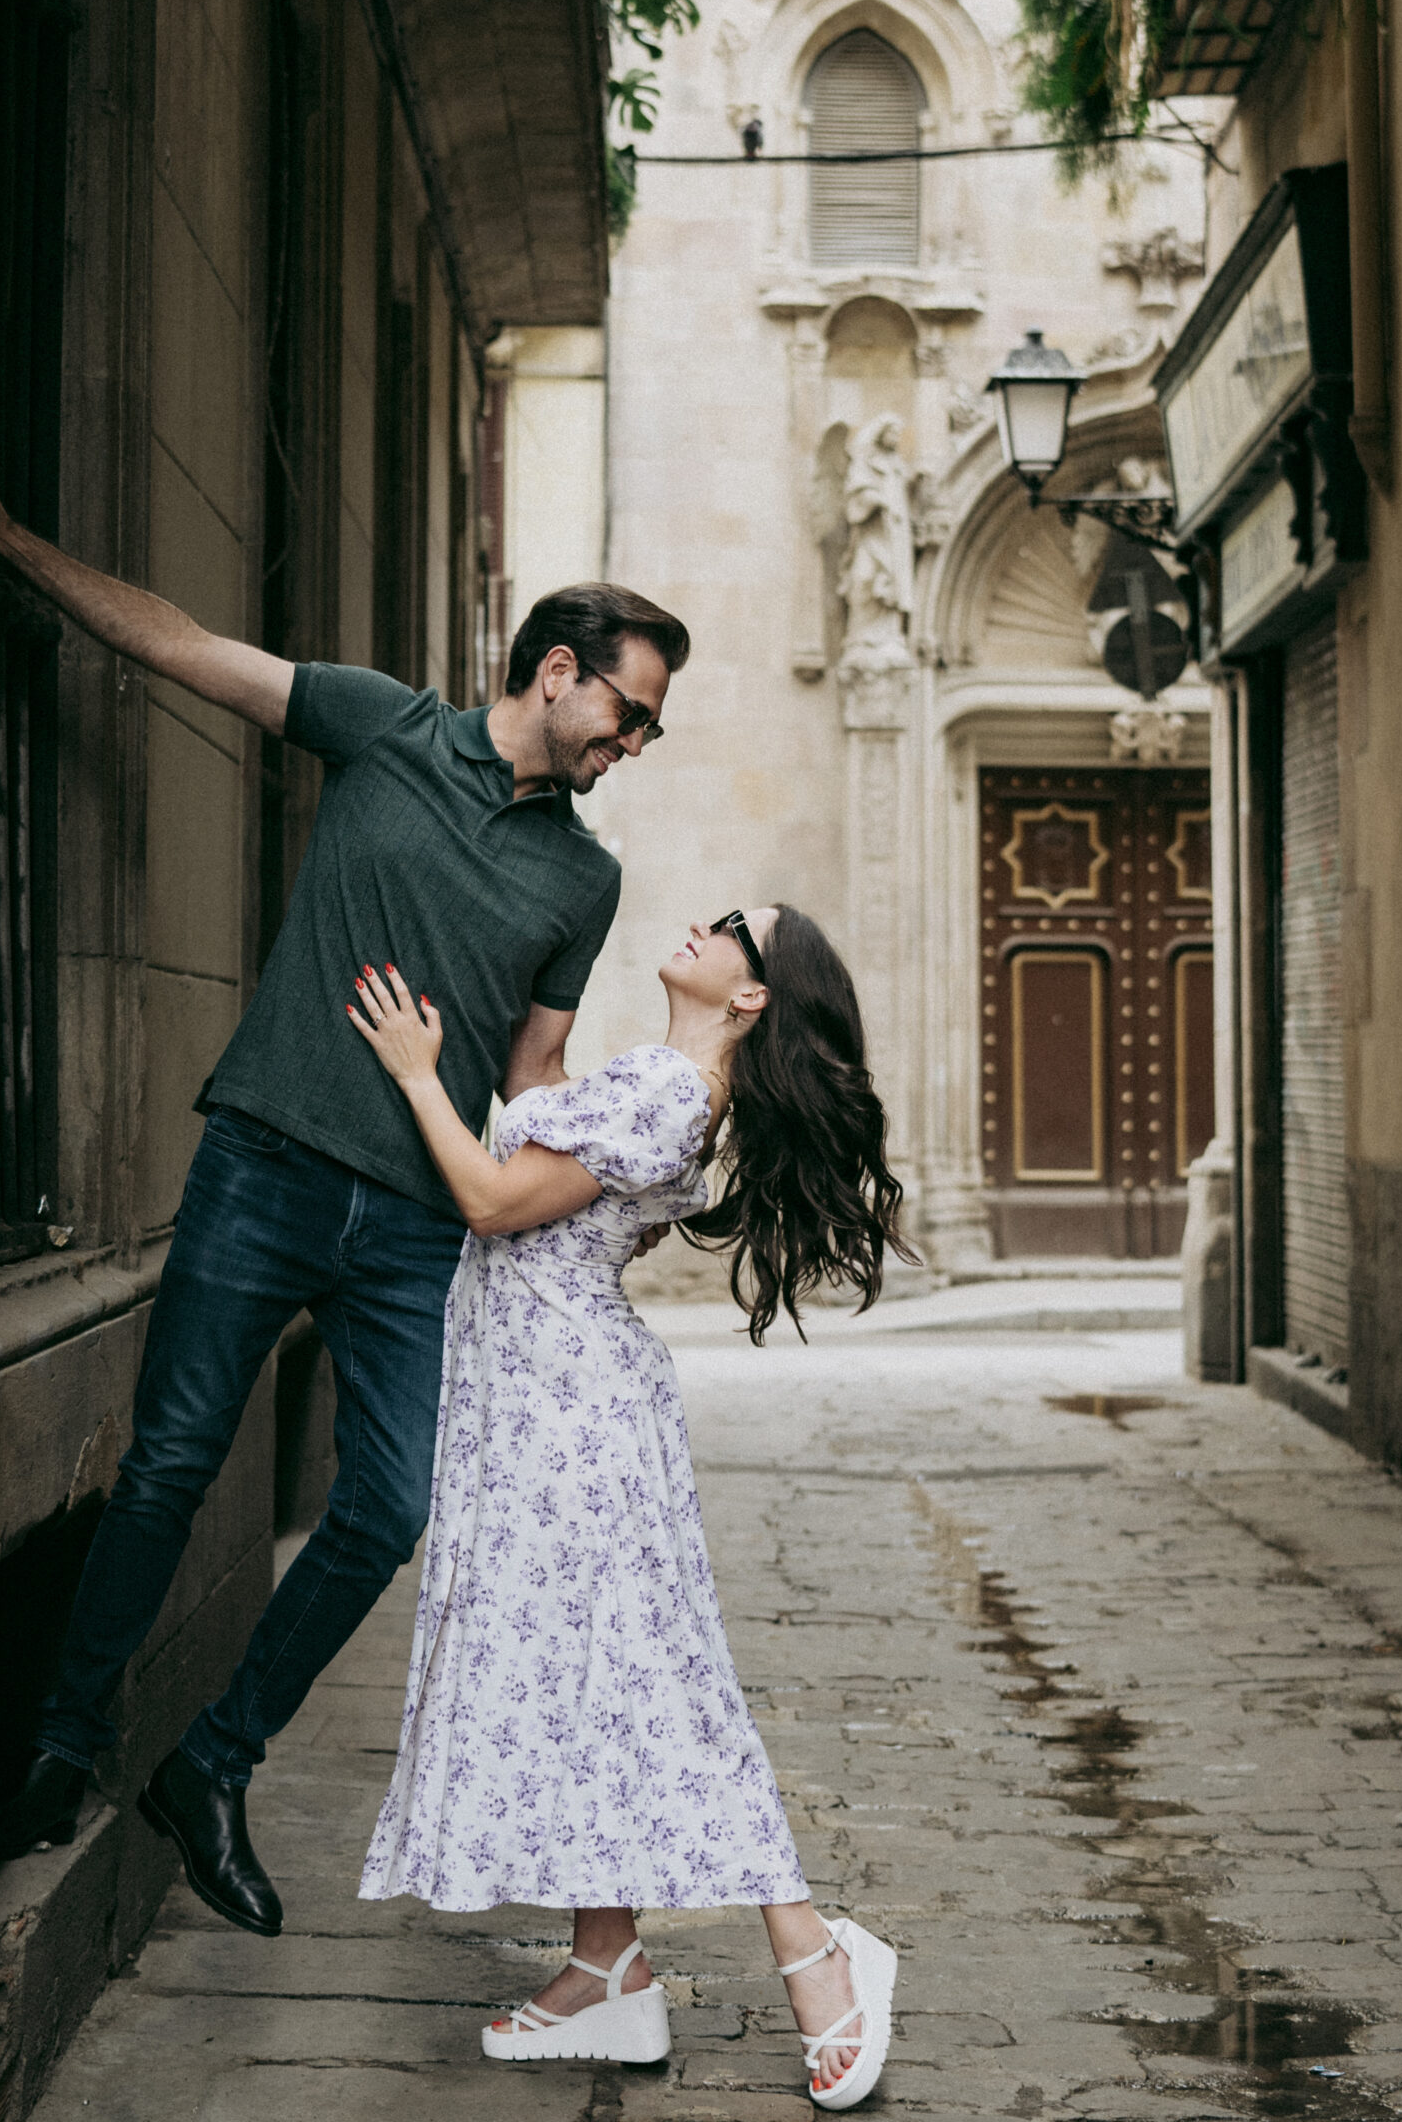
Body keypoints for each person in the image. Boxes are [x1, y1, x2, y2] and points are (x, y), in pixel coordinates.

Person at [0, 458, 689, 1940]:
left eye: (650, 726)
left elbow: (536, 1079)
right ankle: (56, 1759)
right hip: (264, 1167)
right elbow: (178, 643)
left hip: (414, 1229)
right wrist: (10, 544)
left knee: (390, 1507)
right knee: (168, 1465)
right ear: (556, 673)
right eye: (629, 711)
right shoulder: (382, 726)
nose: (635, 743)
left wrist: (593, 1198)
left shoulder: (579, 885)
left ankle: (211, 1763)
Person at [347, 903, 916, 2107]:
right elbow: (534, 1081)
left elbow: (494, 1201)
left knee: (661, 1686)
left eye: (728, 931)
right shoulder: (656, 1076)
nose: (697, 928)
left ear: (752, 996)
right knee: (582, 1683)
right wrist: (549, 929)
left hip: (573, 1422)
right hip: (546, 1406)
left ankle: (815, 1954)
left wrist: (411, 1074)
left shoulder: (671, 1088)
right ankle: (606, 1968)